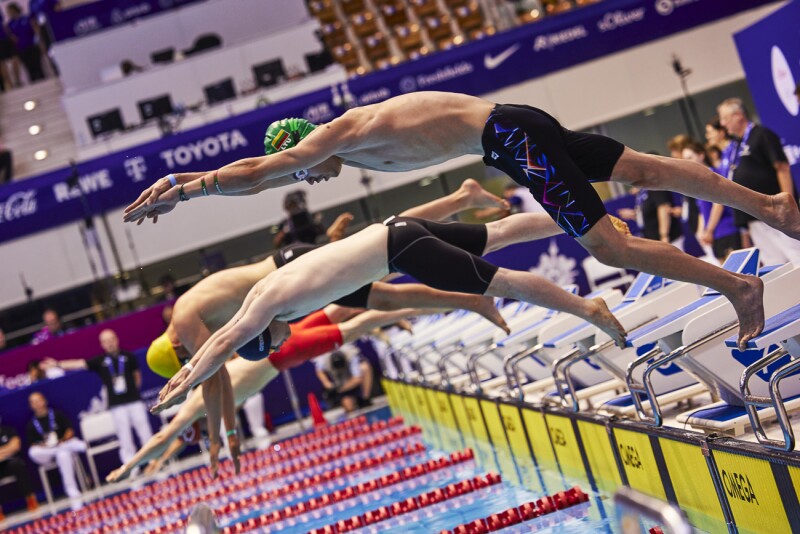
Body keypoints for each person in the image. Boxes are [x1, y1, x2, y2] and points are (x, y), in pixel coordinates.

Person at [124, 92, 800, 349]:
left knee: (612, 249)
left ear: (297, 146)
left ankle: (737, 287)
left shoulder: (332, 135)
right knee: (646, 171)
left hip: (511, 141)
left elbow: (255, 173)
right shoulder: (356, 134)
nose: (310, 178)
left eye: (301, 169)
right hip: (518, 121)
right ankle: (771, 207)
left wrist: (187, 189)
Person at [152, 210, 630, 415]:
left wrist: (185, 381)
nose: (285, 339)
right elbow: (227, 338)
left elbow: (222, 343)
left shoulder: (267, 308)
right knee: (498, 232)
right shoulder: (263, 295)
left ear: (263, 335)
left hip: (401, 251)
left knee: (502, 280)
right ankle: (586, 220)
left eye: (277, 341)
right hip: (397, 229)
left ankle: (586, 307)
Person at [107, 306, 431, 482]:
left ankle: (396, 313)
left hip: (280, 355)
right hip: (277, 348)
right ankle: (392, 305)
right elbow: (168, 441)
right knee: (337, 310)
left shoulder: (198, 405)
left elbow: (163, 439)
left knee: (350, 328)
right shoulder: (208, 379)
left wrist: (128, 467)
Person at [44, 330, 154, 476]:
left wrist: (134, 391)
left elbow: (137, 377)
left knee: (145, 432)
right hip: (116, 405)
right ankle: (131, 468)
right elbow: (79, 363)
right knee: (124, 437)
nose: (109, 343)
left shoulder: (128, 356)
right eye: (106, 341)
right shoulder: (101, 361)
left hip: (134, 401)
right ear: (102, 344)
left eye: (111, 339)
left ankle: (154, 461)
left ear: (116, 339)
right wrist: (57, 364)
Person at [717, 97, 800, 266]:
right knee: (774, 263)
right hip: (754, 215)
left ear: (739, 115)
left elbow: (782, 168)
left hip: (775, 211)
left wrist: (787, 203)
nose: (723, 124)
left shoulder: (762, 135)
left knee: (795, 253)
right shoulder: (736, 146)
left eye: (725, 119)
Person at [682, 141, 741, 263]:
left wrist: (709, 230)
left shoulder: (712, 174)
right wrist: (701, 232)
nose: (687, 162)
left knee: (741, 270)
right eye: (685, 159)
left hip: (727, 230)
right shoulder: (697, 182)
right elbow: (702, 211)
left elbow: (718, 205)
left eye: (690, 157)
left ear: (701, 155)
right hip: (716, 235)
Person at [26, 392, 86, 510]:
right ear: (31, 405)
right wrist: (44, 445)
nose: (37, 404)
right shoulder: (31, 424)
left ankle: (71, 489)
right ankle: (64, 448)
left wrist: (63, 440)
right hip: (47, 452)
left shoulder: (57, 414)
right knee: (33, 452)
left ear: (44, 400)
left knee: (64, 454)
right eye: (34, 402)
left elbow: (69, 430)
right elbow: (33, 443)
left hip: (62, 445)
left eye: (39, 400)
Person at [0, 416, 38, 519]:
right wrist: (7, 450)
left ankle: (30, 499)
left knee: (18, 465)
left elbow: (15, 446)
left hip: (10, 463)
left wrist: (2, 453)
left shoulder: (9, 430)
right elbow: (10, 448)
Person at [314, 344, 371, 412]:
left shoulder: (351, 354)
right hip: (339, 381)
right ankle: (344, 401)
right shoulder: (323, 358)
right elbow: (319, 371)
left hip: (351, 381)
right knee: (348, 406)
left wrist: (338, 390)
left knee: (364, 367)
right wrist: (327, 383)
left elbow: (357, 378)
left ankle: (364, 399)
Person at [5, 3, 44, 84]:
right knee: (29, 69)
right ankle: (34, 83)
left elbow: (35, 28)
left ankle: (43, 80)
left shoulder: (26, 18)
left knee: (38, 66)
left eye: (10, 11)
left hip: (32, 45)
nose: (9, 13)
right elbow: (10, 35)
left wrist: (38, 40)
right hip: (21, 48)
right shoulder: (10, 24)